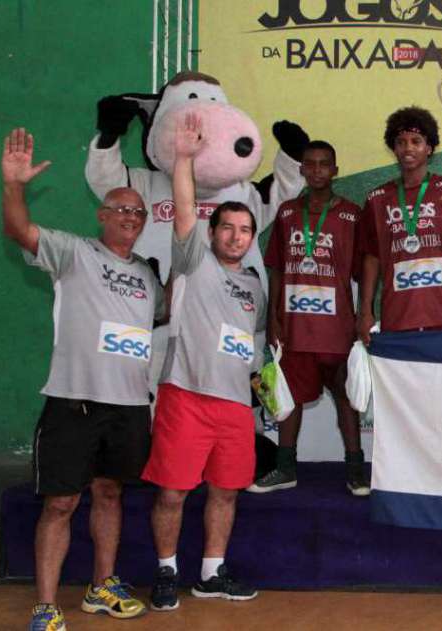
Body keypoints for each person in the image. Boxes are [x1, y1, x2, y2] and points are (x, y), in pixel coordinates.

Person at [4, 128, 161, 629]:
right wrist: (13, 187)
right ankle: (46, 606)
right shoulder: (73, 253)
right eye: (121, 209)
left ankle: (102, 587)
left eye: (137, 212)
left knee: (110, 493)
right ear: (102, 214)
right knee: (61, 503)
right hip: (73, 403)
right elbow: (19, 231)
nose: (129, 218)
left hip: (129, 407)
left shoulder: (147, 276)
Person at [142, 113, 265, 611]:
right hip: (186, 398)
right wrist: (185, 159)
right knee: (172, 494)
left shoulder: (256, 286)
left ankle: (211, 574)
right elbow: (186, 208)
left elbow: (245, 344)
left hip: (234, 408)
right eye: (228, 228)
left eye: (245, 230)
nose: (236, 237)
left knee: (226, 493)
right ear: (212, 232)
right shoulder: (194, 260)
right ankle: (166, 571)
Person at [247, 140, 368, 496]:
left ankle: (356, 470)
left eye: (324, 164)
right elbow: (277, 273)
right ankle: (286, 468)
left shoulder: (350, 214)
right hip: (295, 328)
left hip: (337, 328)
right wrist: (274, 321)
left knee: (346, 399)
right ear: (301, 169)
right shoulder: (286, 213)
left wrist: (362, 319)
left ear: (335, 170)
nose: (317, 170)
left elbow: (364, 272)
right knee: (289, 398)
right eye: (310, 164)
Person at [356, 107, 442, 339]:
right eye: (401, 142)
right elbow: (371, 258)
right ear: (394, 148)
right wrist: (365, 312)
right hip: (400, 313)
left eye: (416, 141)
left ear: (429, 148)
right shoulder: (377, 199)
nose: (408, 148)